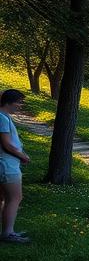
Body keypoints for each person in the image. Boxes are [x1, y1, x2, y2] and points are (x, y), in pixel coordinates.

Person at [0, 89, 30, 244]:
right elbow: (6, 144)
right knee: (15, 197)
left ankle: (5, 230)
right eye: (18, 102)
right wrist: (22, 156)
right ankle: (8, 233)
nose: (19, 105)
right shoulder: (2, 118)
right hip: (7, 165)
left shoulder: (4, 117)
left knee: (3, 198)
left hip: (5, 163)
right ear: (9, 102)